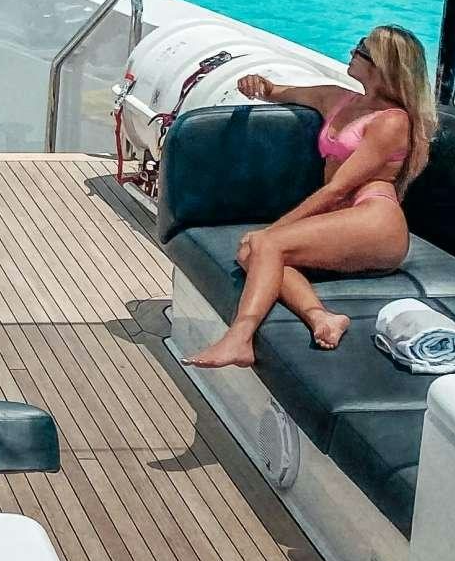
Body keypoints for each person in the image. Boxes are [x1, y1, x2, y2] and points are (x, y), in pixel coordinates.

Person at [183, 24, 440, 369]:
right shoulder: (338, 98)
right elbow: (281, 91)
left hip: (375, 218)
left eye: (361, 49)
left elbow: (338, 188)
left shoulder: (392, 122)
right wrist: (259, 86)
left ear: (381, 66)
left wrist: (273, 230)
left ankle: (239, 338)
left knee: (265, 246)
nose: (352, 52)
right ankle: (322, 317)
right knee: (251, 251)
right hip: (344, 216)